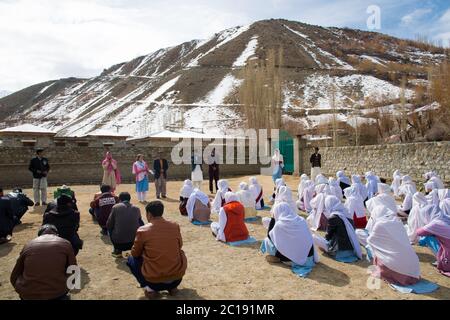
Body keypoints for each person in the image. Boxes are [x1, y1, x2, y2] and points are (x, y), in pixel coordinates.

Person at [127, 201, 187, 299]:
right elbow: (179, 245)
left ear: (149, 214)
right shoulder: (175, 226)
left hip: (154, 282)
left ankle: (149, 289)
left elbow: (135, 253)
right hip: (177, 278)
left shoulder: (142, 230)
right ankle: (173, 287)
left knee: (131, 259)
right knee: (180, 252)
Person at [10, 224, 77, 300]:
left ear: (39, 235)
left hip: (29, 294)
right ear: (57, 234)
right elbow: (74, 270)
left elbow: (15, 274)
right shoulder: (65, 243)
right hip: (57, 294)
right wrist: (68, 287)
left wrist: (21, 289)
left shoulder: (28, 245)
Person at [367, 206, 421, 286]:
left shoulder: (380, 224)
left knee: (374, 251)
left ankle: (383, 271)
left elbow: (371, 241)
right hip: (413, 268)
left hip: (398, 268)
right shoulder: (397, 221)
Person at [312, 195, 362, 260]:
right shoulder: (347, 213)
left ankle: (328, 250)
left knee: (313, 237)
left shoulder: (333, 217)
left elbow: (328, 236)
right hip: (352, 249)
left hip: (338, 251)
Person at [416, 200, 450, 277]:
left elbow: (418, 232)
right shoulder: (445, 217)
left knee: (426, 237)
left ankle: (441, 259)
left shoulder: (435, 223)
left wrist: (427, 227)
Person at [107, 192, 144, 257]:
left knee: (109, 229)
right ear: (129, 199)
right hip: (134, 242)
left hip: (119, 243)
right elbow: (141, 223)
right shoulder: (137, 208)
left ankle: (117, 250)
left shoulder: (115, 207)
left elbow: (109, 224)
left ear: (119, 199)